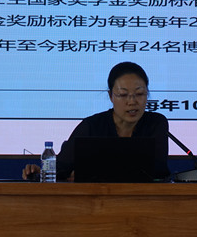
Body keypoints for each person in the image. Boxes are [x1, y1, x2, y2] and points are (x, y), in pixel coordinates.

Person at [22, 61, 170, 181]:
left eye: (139, 94)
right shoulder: (91, 126)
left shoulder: (156, 123)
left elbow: (159, 170)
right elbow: (61, 169)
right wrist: (39, 173)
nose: (132, 101)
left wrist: (94, 174)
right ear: (111, 96)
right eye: (123, 95)